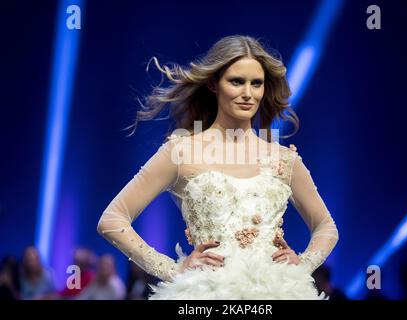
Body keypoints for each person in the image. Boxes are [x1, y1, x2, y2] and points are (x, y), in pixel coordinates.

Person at [97, 35, 339, 299]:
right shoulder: (181, 152)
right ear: (213, 83)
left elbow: (326, 227)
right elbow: (112, 220)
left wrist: (301, 266)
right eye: (236, 81)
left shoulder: (283, 159)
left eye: (256, 83)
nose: (248, 93)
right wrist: (173, 269)